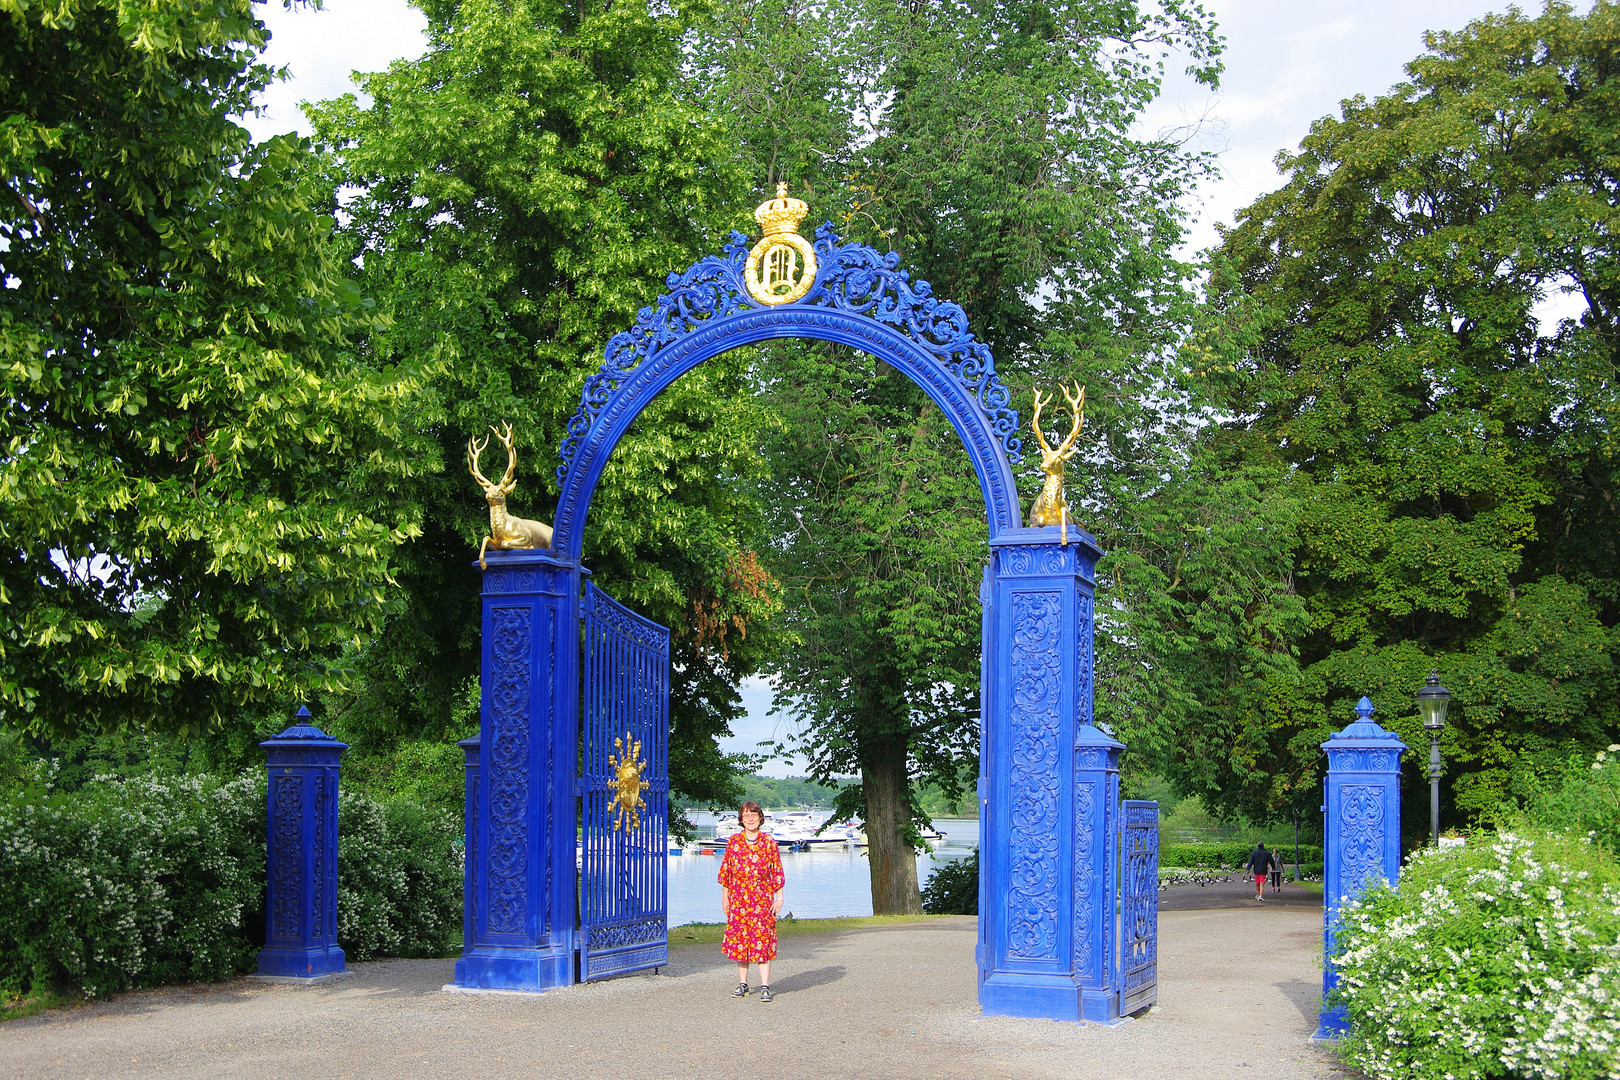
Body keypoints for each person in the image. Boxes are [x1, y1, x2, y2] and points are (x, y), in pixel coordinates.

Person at [718, 801, 785, 1001]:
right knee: (741, 942)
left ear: (760, 818)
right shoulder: (734, 842)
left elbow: (777, 872)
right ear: (741, 819)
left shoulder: (769, 843)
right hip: (738, 899)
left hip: (763, 899)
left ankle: (765, 985)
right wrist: (725, 898)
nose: (750, 819)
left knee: (762, 940)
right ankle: (743, 983)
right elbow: (726, 874)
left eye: (754, 815)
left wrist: (779, 897)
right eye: (746, 815)